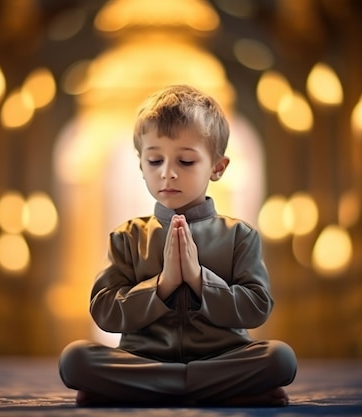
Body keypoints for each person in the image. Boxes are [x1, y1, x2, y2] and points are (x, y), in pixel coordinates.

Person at [59, 84, 297, 407]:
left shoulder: (240, 236)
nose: (167, 174)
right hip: (144, 359)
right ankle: (215, 390)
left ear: (217, 167)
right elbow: (104, 311)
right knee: (74, 359)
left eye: (185, 162)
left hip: (221, 358)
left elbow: (257, 307)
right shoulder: (127, 237)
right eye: (155, 160)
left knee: (281, 358)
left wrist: (200, 281)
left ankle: (145, 389)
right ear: (141, 165)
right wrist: (161, 286)